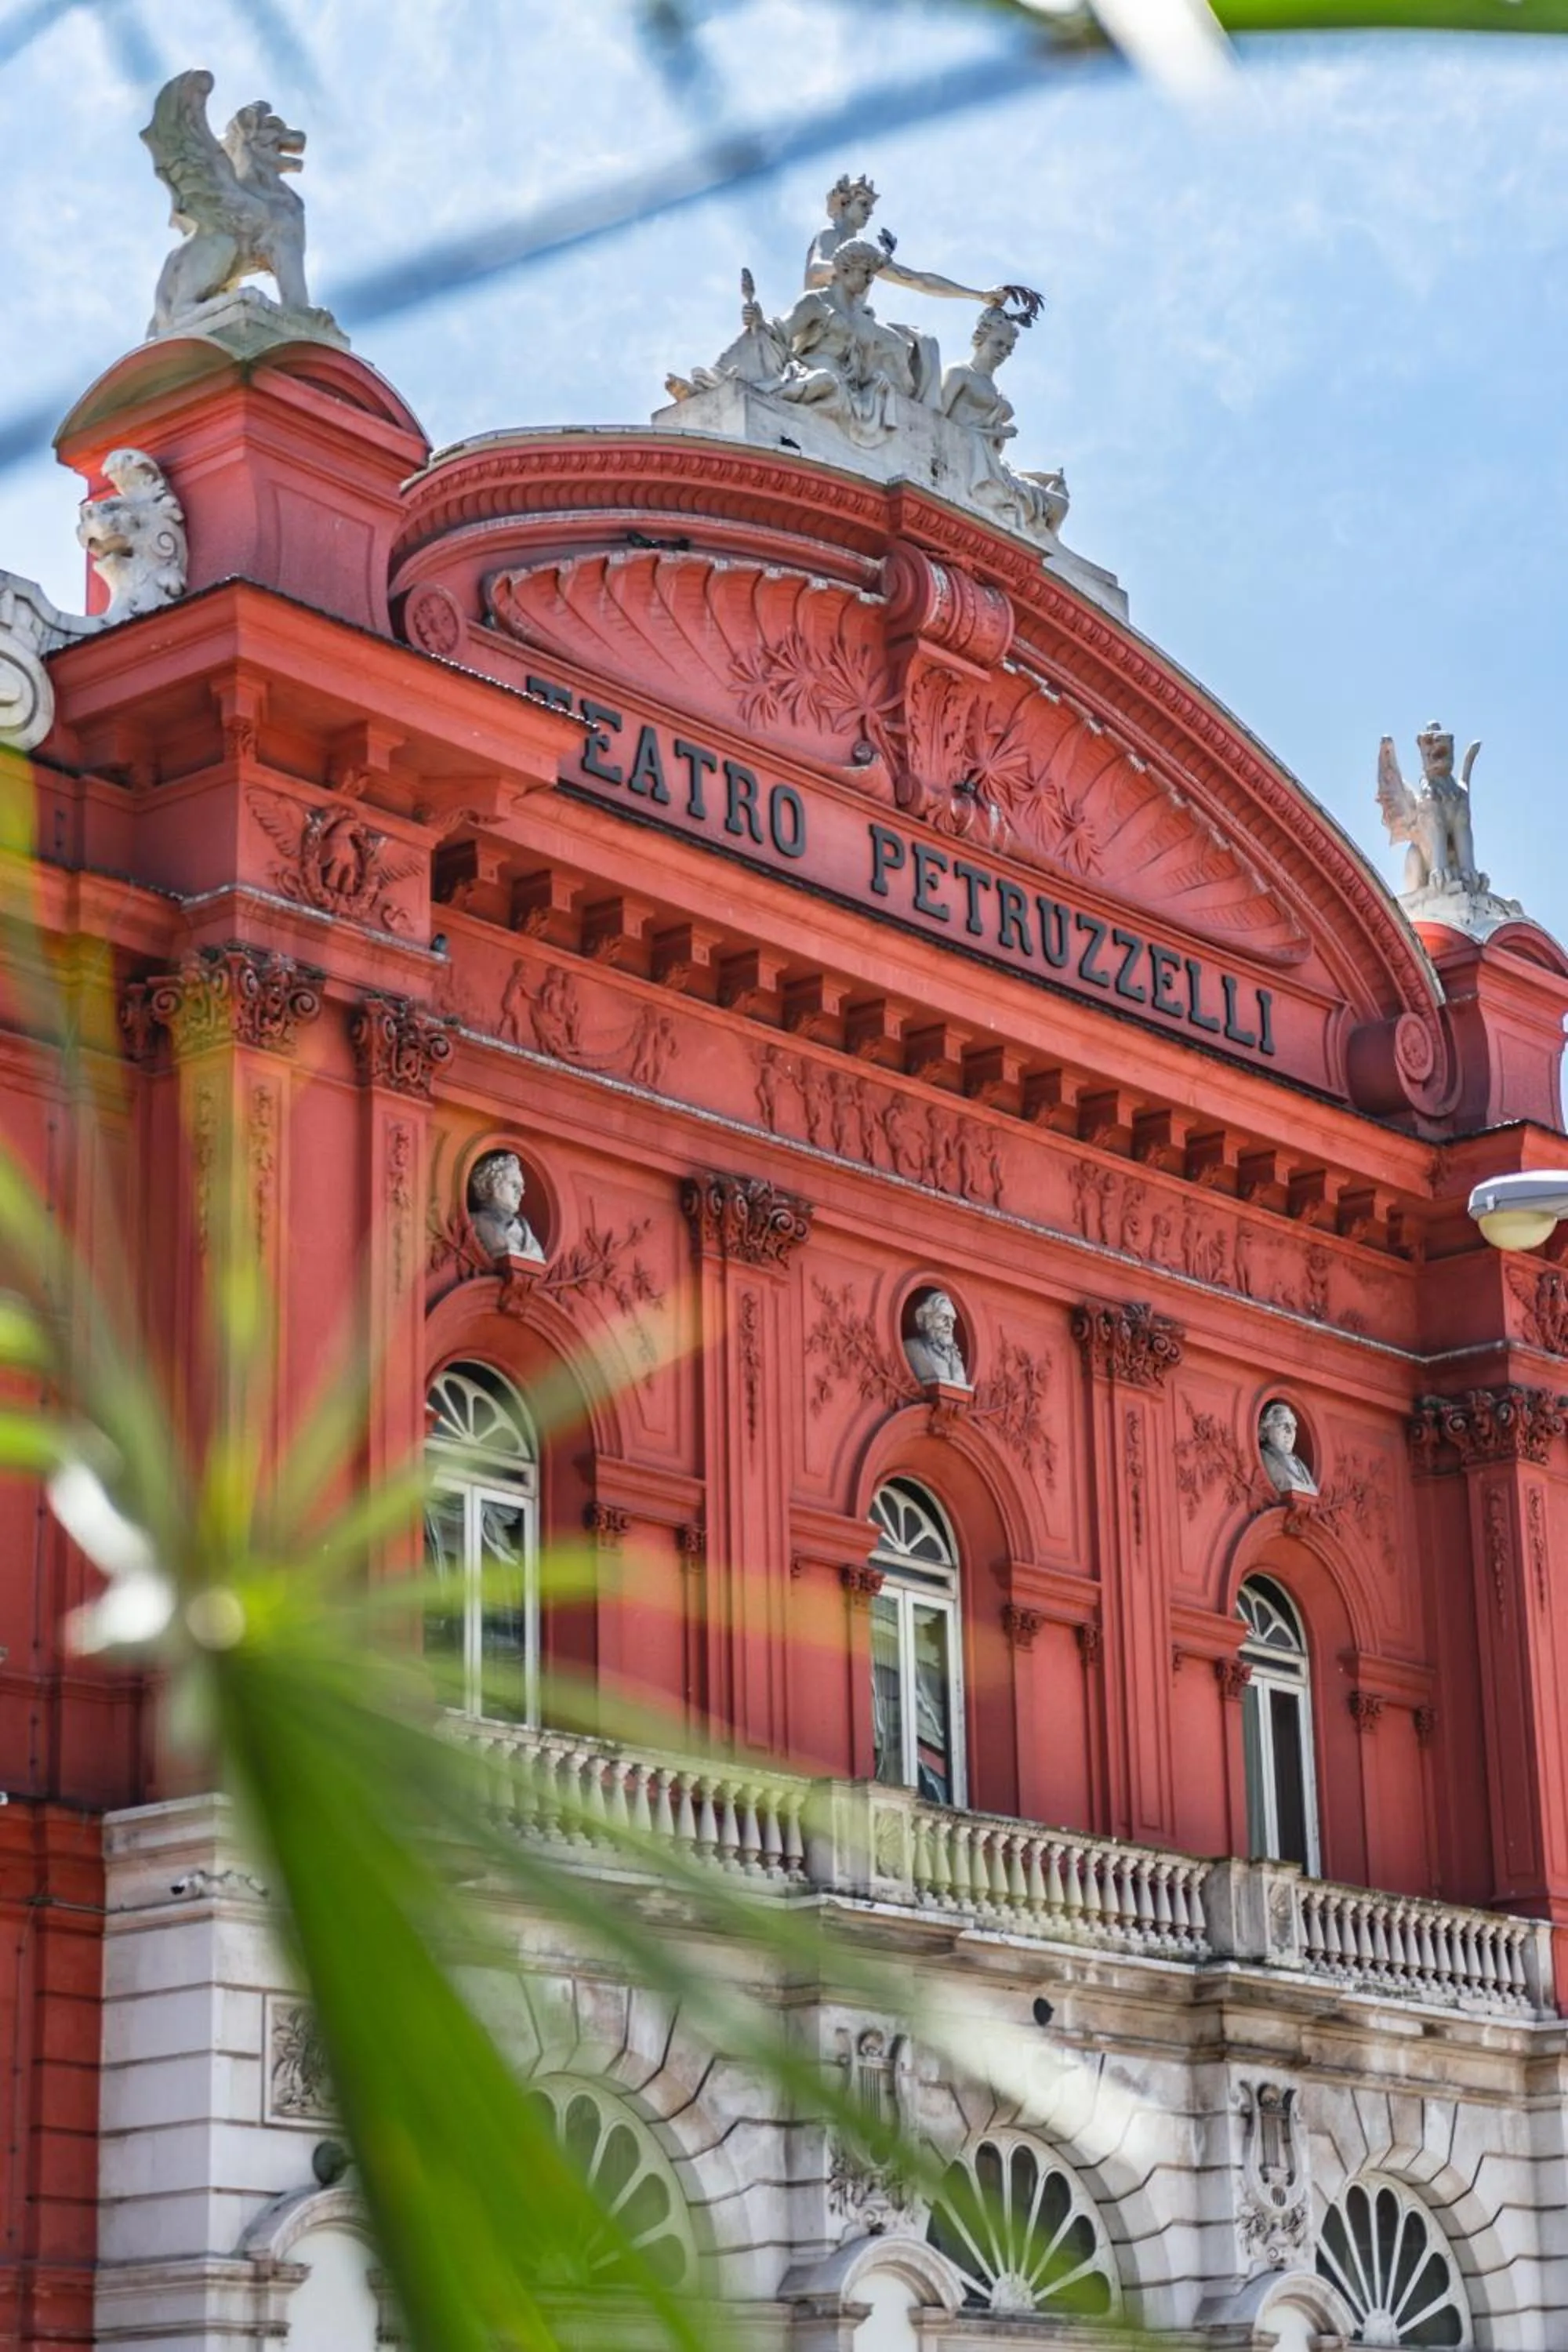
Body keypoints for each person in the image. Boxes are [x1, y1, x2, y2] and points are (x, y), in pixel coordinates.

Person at [467, 1149, 545, 1263]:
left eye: (522, 1186)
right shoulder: (474, 1223)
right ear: (489, 1185)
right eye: (514, 1185)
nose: (521, 1192)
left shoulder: (525, 1230)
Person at [905, 1290, 970, 1388]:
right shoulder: (913, 1347)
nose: (949, 1325)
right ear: (926, 1319)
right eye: (943, 1318)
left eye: (951, 1320)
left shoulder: (956, 1357)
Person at [1258, 1399, 1316, 1496]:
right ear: (1265, 1431)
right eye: (1282, 1425)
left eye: (1292, 1426)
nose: (1289, 1431)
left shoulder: (1300, 1465)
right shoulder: (1264, 1458)